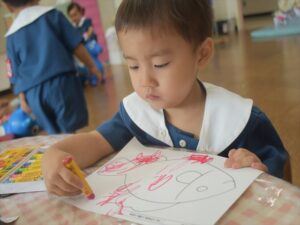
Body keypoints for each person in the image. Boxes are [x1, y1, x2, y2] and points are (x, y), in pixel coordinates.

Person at [42, 0, 288, 196]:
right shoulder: (137, 114)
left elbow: (282, 185)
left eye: (160, 64)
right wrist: (56, 154)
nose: (145, 81)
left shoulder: (240, 119)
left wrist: (257, 167)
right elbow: (96, 141)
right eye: (133, 66)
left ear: (202, 54)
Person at [2, 0, 103, 134]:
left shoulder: (11, 36)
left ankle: (61, 152)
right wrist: (92, 67)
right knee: (69, 129)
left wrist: (22, 98)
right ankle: (75, 151)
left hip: (34, 93)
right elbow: (76, 46)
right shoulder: (53, 15)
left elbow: (15, 73)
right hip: (62, 83)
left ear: (7, 7)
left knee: (53, 134)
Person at [67, 2, 105, 84]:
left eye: (75, 15)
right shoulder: (73, 26)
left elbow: (90, 30)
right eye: (71, 16)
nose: (74, 18)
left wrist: (85, 37)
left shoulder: (86, 21)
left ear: (80, 12)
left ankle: (100, 76)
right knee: (86, 65)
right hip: (82, 48)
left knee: (95, 62)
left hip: (89, 44)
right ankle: (92, 78)